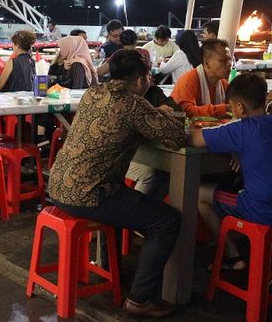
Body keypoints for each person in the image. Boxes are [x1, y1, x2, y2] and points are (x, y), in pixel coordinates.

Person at [49, 50, 186, 318]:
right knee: (167, 220)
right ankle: (140, 298)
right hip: (90, 195)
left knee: (138, 196)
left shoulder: (93, 93)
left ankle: (115, 268)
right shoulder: (134, 105)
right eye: (148, 77)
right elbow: (176, 136)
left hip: (58, 186)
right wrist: (167, 114)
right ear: (139, 80)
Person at [189, 74, 272, 272]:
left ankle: (234, 257)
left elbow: (196, 139)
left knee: (198, 193)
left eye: (231, 107)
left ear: (239, 107)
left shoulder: (240, 129)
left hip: (262, 209)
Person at [171, 38, 231, 118]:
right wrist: (223, 109)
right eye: (223, 60)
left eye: (229, 59)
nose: (229, 64)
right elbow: (186, 112)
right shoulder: (189, 80)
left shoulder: (223, 83)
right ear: (207, 63)